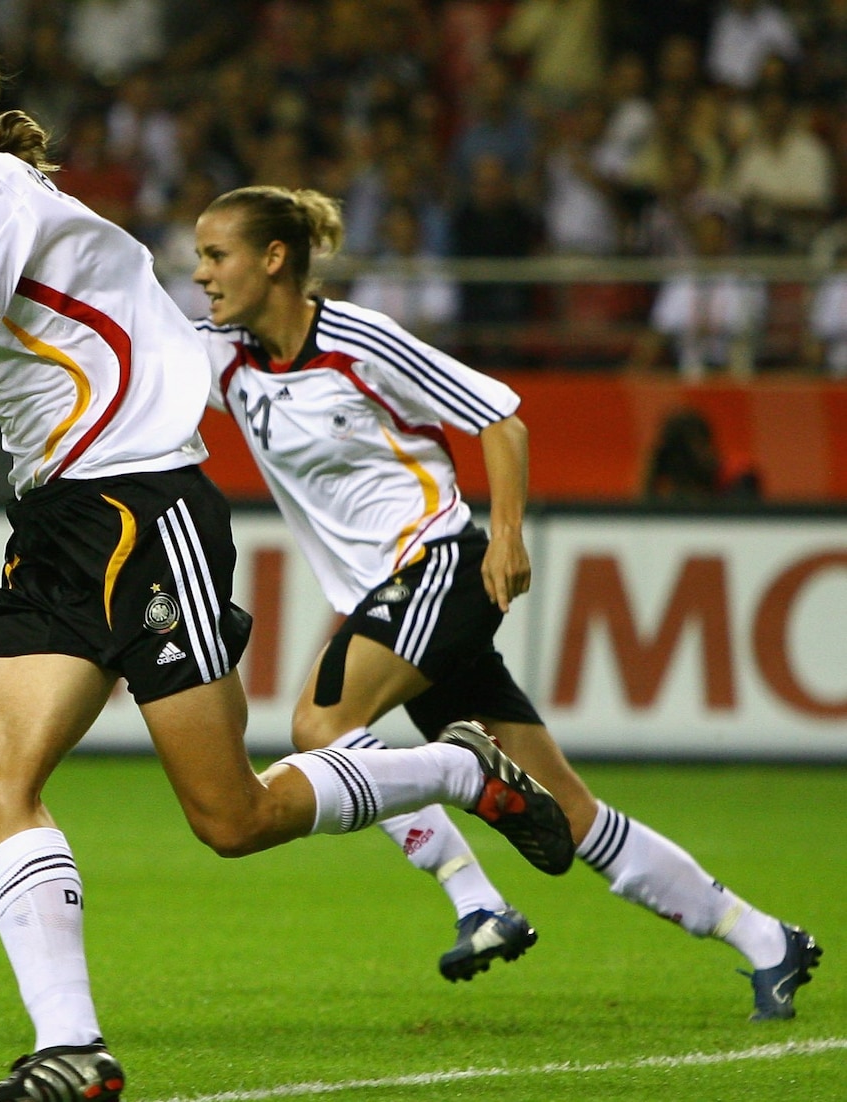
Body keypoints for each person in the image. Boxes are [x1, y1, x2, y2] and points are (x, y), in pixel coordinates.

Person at [0, 11, 576, 1100]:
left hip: (141, 511)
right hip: (58, 525)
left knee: (228, 817)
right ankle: (73, 1053)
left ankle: (455, 766)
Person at [189, 184, 820, 1018]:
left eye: (214, 255)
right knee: (570, 810)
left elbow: (502, 420)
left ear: (274, 260)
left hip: (442, 566)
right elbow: (115, 340)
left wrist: (510, 534)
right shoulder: (221, 357)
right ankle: (765, 938)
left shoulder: (359, 340)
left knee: (321, 727)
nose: (199, 275)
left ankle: (474, 898)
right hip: (390, 596)